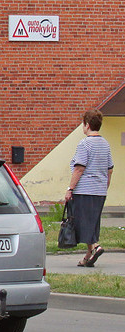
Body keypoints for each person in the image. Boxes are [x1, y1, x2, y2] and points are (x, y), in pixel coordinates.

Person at [65, 108, 113, 267]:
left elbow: (79, 168)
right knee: (92, 222)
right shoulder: (105, 144)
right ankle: (88, 257)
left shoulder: (84, 144)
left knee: (81, 222)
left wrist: (70, 189)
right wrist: (105, 186)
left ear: (86, 125)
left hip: (85, 189)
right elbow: (110, 169)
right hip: (100, 190)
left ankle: (95, 247)